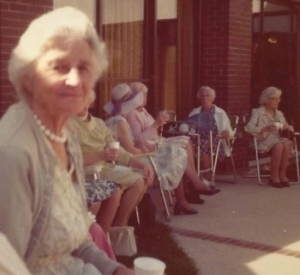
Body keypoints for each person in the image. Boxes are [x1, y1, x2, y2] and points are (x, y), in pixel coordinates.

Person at [0, 7, 133, 275]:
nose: (74, 80)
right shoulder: (15, 154)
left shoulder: (67, 140)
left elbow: (76, 237)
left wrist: (114, 270)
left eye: (84, 67)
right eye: (59, 66)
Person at [104, 83, 220, 211]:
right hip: (135, 159)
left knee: (177, 152)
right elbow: (132, 147)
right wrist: (151, 136)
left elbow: (133, 145)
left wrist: (145, 145)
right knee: (174, 155)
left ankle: (189, 191)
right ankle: (190, 190)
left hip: (141, 152)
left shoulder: (119, 119)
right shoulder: (121, 121)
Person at [71, 92, 154, 227]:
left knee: (142, 177)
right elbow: (70, 159)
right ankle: (117, 226)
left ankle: (119, 224)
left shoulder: (99, 123)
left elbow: (119, 152)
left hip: (104, 167)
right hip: (87, 170)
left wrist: (141, 165)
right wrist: (100, 156)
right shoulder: (67, 125)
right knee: (136, 182)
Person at [244, 86, 294, 188]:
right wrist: (264, 128)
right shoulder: (257, 112)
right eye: (275, 98)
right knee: (279, 145)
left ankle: (282, 174)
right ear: (267, 99)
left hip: (275, 139)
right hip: (261, 140)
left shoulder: (279, 113)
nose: (278, 101)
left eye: (279, 98)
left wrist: (287, 127)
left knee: (287, 144)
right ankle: (274, 176)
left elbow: (287, 126)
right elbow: (248, 128)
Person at [186, 86, 234, 184]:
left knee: (204, 146)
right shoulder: (194, 112)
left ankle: (206, 177)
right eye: (202, 96)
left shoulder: (220, 113)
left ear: (212, 98)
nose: (205, 98)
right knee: (185, 145)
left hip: (216, 140)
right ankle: (192, 177)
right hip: (197, 139)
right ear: (199, 98)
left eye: (208, 96)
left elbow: (229, 131)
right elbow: (188, 128)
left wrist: (227, 133)